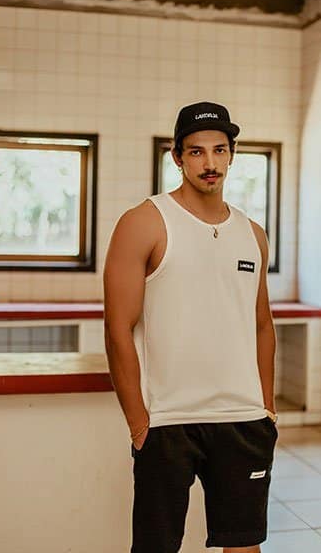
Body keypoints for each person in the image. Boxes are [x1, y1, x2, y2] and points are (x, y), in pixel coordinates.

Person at [103, 101, 278, 553]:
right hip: (168, 421)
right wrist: (139, 422)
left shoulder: (253, 234)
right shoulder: (144, 222)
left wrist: (267, 407)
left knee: (244, 546)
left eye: (220, 150)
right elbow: (118, 328)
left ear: (232, 155)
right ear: (177, 157)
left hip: (242, 418)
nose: (210, 162)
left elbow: (262, 324)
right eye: (197, 151)